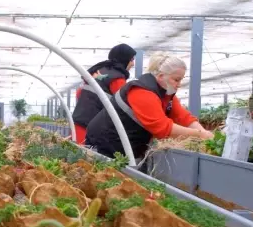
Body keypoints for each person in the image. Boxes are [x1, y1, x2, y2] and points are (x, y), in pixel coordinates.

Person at [85, 52, 213, 162]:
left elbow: (183, 117)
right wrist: (200, 135)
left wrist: (205, 134)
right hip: (105, 144)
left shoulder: (165, 94)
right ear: (161, 76)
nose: (179, 84)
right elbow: (162, 128)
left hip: (125, 145)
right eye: (176, 79)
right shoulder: (142, 92)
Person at [72, 43, 136, 144]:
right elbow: (124, 106)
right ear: (124, 59)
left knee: (79, 152)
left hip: (80, 119)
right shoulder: (117, 78)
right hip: (94, 126)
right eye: (131, 59)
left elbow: (79, 92)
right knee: (89, 157)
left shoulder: (98, 71)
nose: (133, 64)